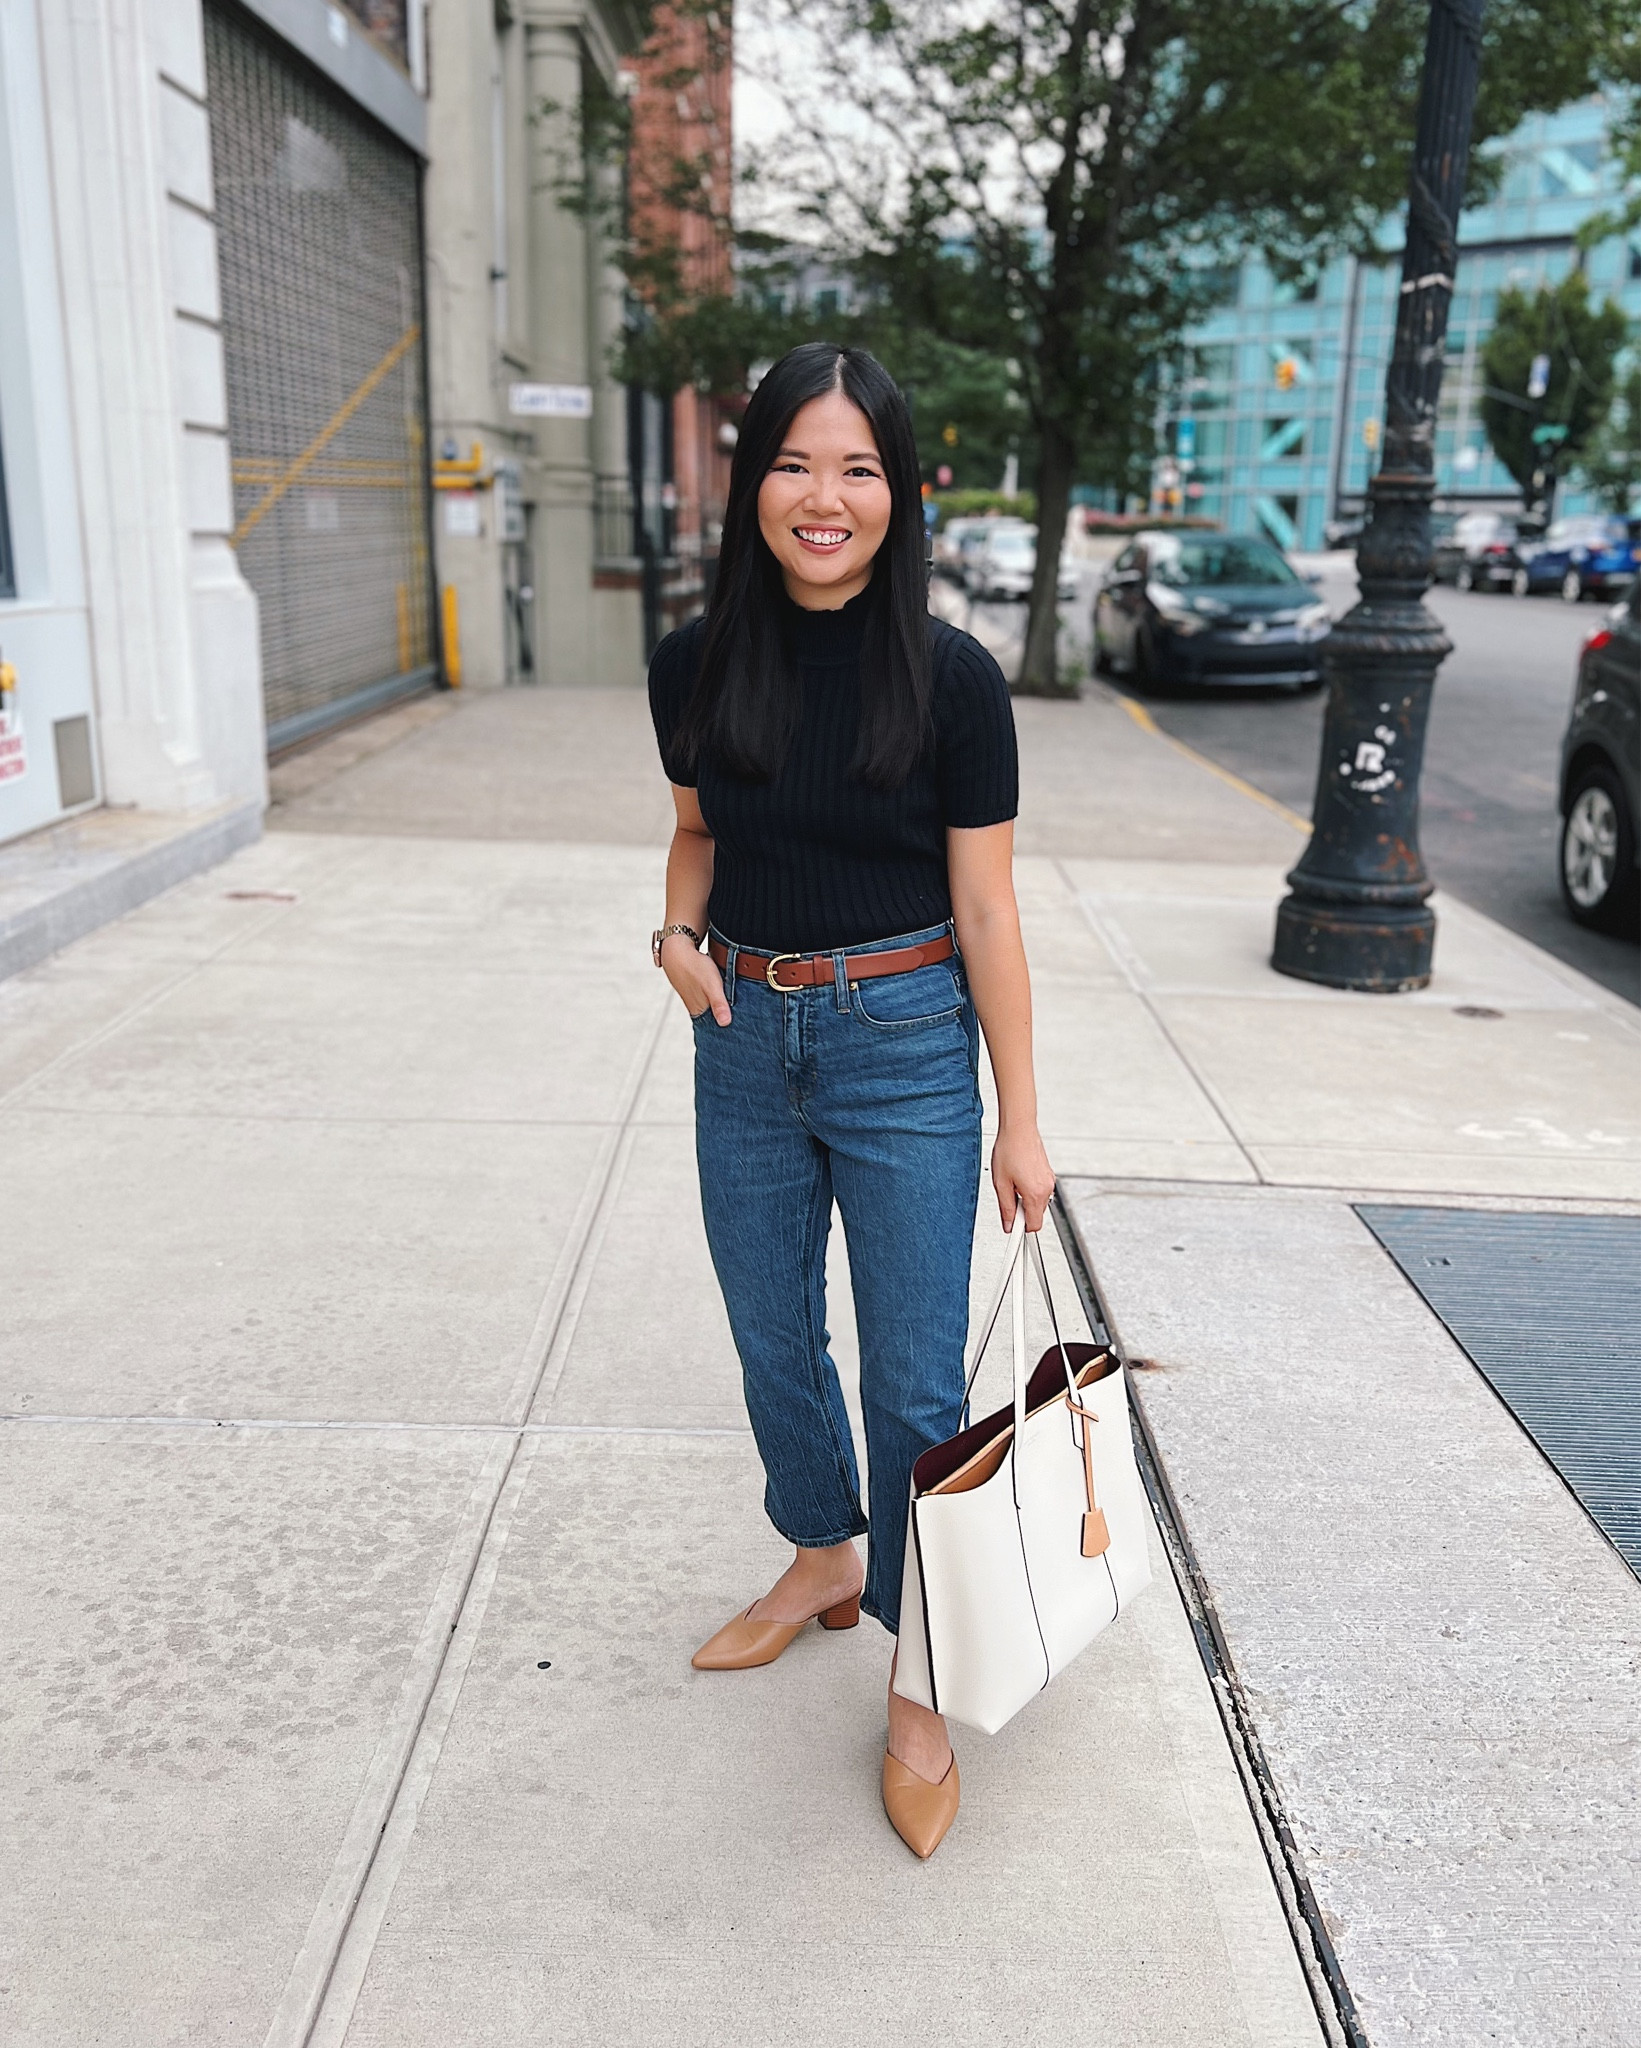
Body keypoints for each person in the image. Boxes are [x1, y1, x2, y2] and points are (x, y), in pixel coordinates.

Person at [647, 342, 1054, 1860]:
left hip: (903, 1044)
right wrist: (673, 935)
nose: (825, 499)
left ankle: (921, 1668)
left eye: (858, 468)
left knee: (911, 1388)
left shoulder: (950, 680)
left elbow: (990, 912)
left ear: (900, 493)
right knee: (767, 1335)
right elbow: (694, 832)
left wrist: (1018, 1115)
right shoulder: (689, 664)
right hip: (743, 1033)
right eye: (795, 464)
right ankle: (823, 1555)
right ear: (751, 478)